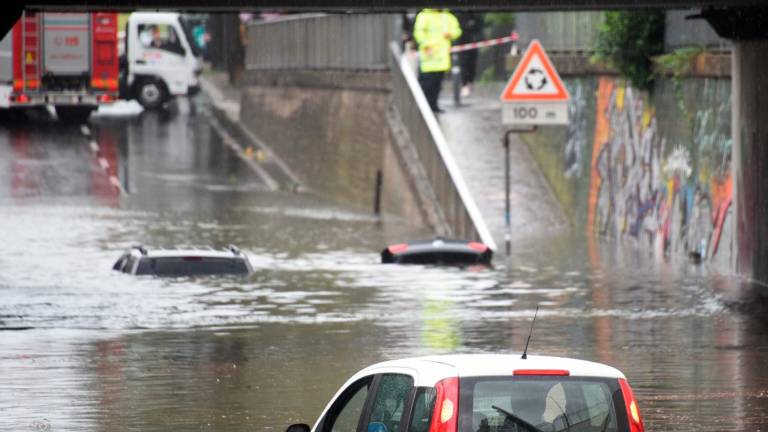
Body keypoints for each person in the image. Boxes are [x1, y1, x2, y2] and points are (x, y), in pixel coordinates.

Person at [413, 9, 461, 113]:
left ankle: (433, 106)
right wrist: (426, 45)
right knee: (427, 86)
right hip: (428, 59)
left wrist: (450, 34)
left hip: (442, 60)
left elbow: (457, 31)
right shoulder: (424, 15)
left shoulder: (447, 16)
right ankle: (425, 108)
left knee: (437, 85)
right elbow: (418, 33)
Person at [455, 12, 484, 98]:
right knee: (464, 66)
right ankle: (465, 85)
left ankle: (470, 83)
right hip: (463, 46)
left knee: (472, 66)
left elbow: (479, 28)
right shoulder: (460, 16)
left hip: (473, 46)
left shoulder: (476, 17)